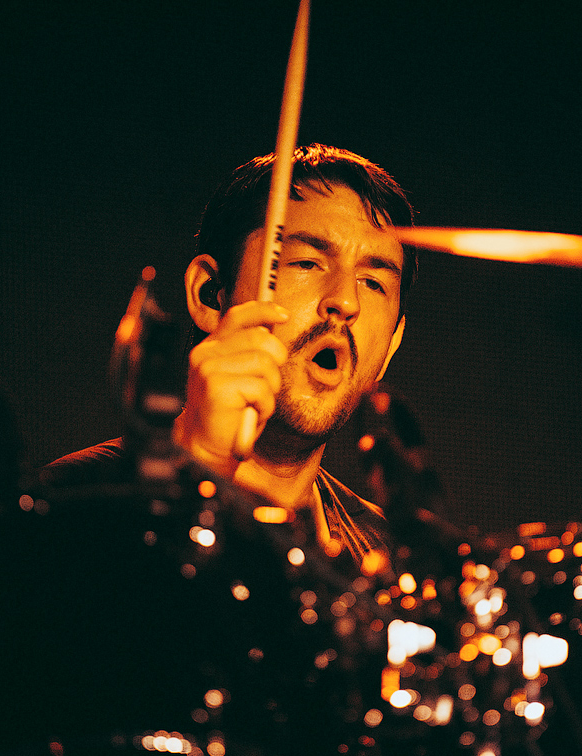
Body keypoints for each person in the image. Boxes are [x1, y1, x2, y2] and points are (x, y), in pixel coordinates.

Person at [43, 144, 416, 568]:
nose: (346, 302)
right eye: (307, 263)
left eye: (373, 282)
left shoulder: (389, 561)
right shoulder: (72, 502)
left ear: (392, 343)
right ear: (209, 294)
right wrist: (202, 466)